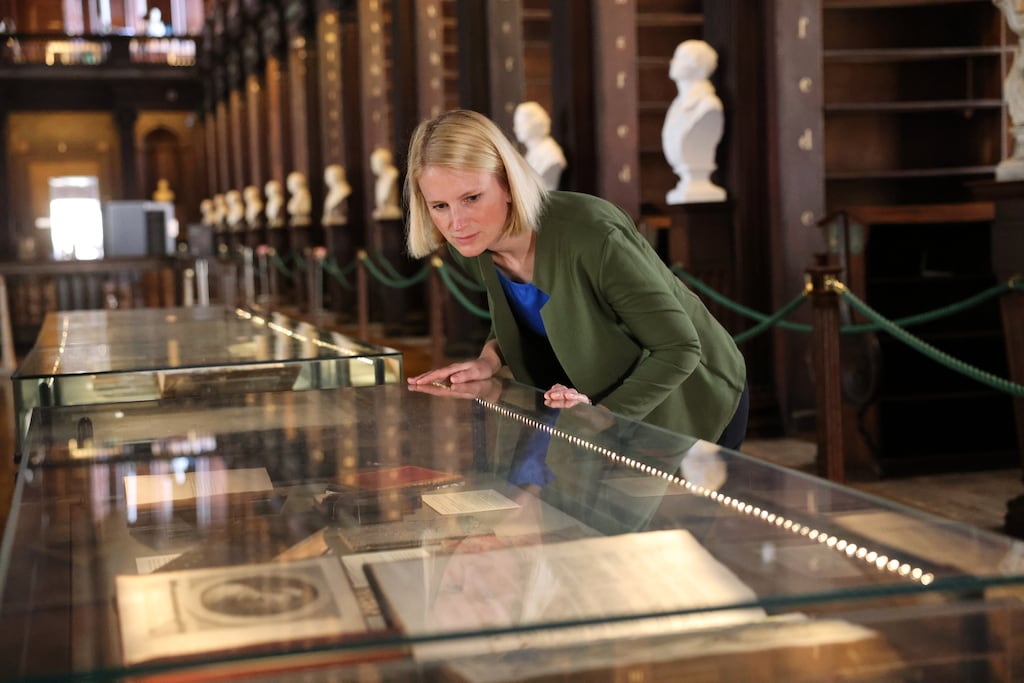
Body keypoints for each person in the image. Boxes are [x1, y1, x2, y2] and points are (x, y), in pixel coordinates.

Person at [405, 109, 748, 450]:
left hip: (691, 397)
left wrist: (605, 416)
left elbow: (680, 347)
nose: (456, 223)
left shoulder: (592, 234)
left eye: (471, 198)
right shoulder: (471, 250)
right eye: (440, 206)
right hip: (599, 405)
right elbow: (521, 311)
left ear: (509, 184)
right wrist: (489, 360)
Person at [661, 39, 726, 203]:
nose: (673, 62)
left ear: (698, 66)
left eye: (681, 57)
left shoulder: (708, 106)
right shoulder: (677, 106)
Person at [513, 101, 567, 192]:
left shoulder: (551, 154)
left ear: (535, 122)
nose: (515, 128)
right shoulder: (532, 152)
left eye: (520, 123)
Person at [370, 147, 403, 220]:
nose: (372, 166)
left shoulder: (392, 175)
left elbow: (384, 197)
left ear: (382, 162)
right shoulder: (380, 179)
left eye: (374, 163)